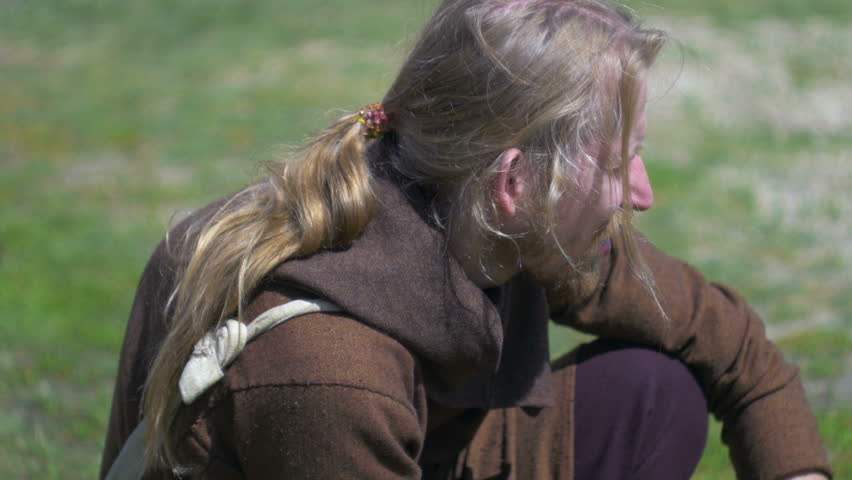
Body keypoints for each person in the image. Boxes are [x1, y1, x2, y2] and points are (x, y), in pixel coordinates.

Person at [100, 0, 833, 478]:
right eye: (615, 164)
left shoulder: (485, 214)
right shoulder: (328, 372)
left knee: (650, 394)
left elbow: (731, 343)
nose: (641, 193)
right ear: (516, 184)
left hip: (426, 450)